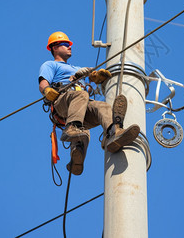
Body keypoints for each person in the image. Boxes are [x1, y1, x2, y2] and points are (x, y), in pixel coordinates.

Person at [38, 31, 140, 175]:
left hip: (80, 104)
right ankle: (72, 129)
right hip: (63, 102)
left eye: (69, 45)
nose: (69, 47)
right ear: (54, 47)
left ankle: (112, 135)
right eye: (66, 44)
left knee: (102, 106)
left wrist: (95, 78)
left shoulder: (76, 68)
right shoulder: (50, 65)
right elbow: (43, 83)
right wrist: (47, 91)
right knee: (81, 96)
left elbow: (87, 88)